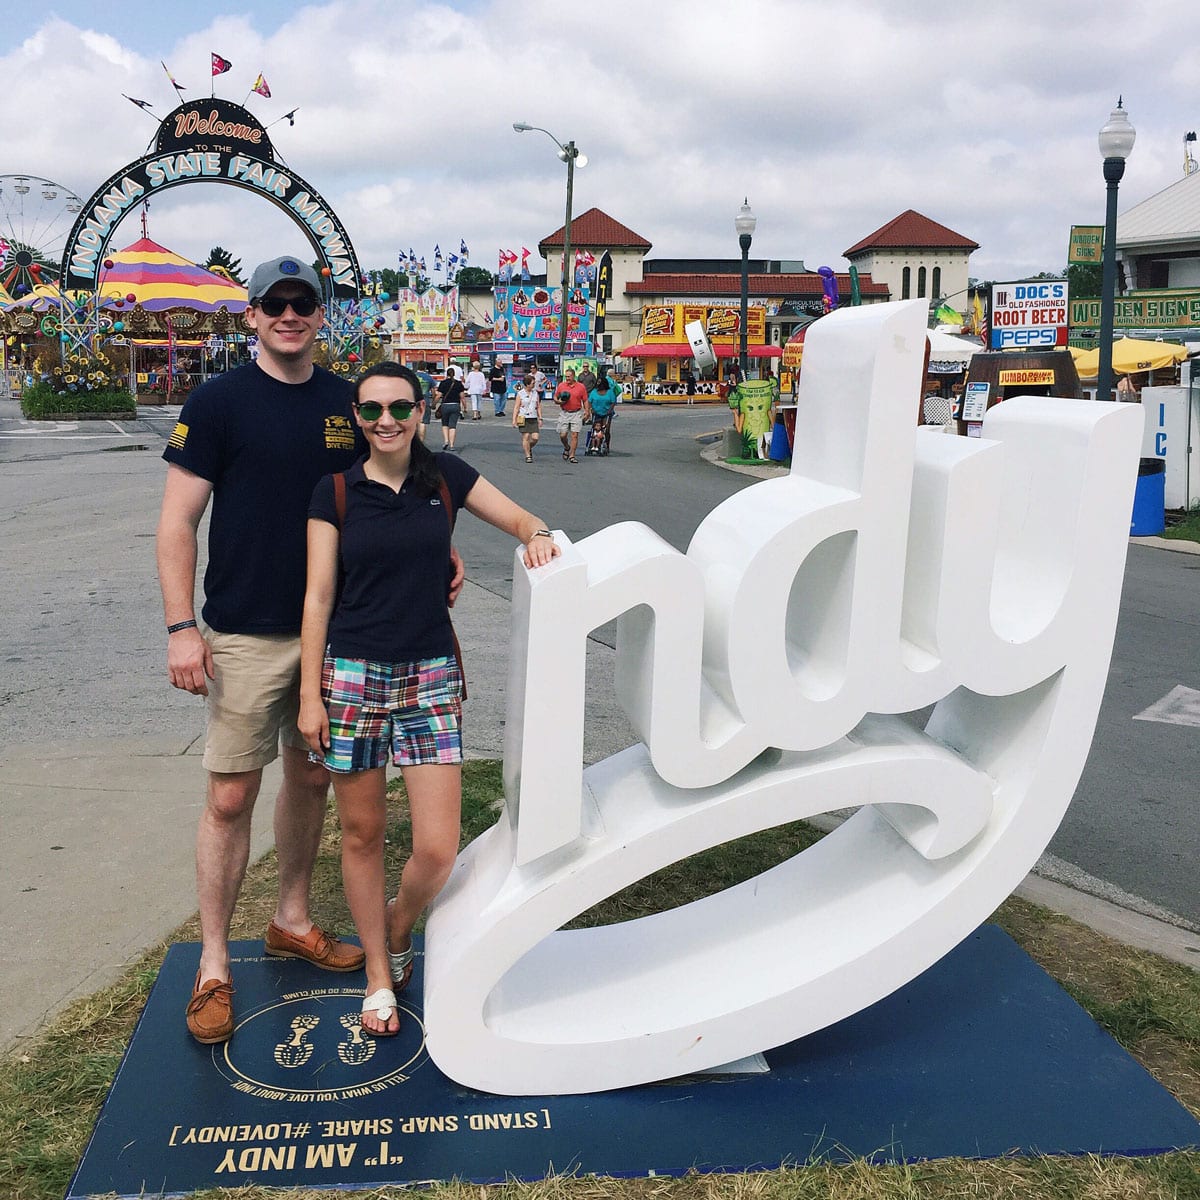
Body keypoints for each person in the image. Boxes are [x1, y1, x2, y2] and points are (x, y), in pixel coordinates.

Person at [156, 255, 465, 1046]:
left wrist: (441, 550)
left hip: (342, 637)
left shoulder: (349, 403)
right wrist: (180, 626)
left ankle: (293, 916)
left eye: (304, 303)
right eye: (275, 303)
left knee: (309, 779)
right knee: (229, 796)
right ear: (253, 315)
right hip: (245, 630)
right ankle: (215, 964)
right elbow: (177, 522)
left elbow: (398, 479)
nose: (290, 314)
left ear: (321, 315)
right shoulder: (218, 401)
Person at [298, 361, 561, 1035]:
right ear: (356, 418)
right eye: (371, 410)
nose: (385, 421)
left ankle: (398, 923)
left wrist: (535, 536)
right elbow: (319, 596)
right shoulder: (334, 491)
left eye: (399, 408)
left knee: (437, 848)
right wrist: (310, 694)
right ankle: (379, 973)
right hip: (352, 675)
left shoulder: (446, 476)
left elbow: (525, 518)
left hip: (430, 676)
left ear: (421, 411)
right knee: (361, 833)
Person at [554, 367, 590, 463]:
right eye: (566, 377)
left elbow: (585, 400)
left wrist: (587, 411)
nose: (567, 378)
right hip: (565, 412)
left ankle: (572, 455)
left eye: (569, 376)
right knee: (563, 435)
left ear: (574, 376)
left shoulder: (581, 387)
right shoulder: (561, 386)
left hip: (576, 413)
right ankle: (567, 447)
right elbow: (555, 397)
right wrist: (558, 401)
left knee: (575, 435)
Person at [586, 368, 620, 456]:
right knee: (595, 429)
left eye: (599, 382)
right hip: (596, 413)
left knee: (606, 430)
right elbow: (589, 401)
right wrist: (590, 410)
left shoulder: (609, 392)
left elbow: (613, 402)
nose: (598, 384)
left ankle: (606, 445)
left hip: (607, 413)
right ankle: (593, 445)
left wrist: (610, 410)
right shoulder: (594, 392)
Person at [513, 372, 542, 462]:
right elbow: (516, 407)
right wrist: (514, 419)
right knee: (526, 436)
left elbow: (538, 406)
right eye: (533, 383)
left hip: (533, 417)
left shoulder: (535, 393)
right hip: (523, 417)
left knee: (535, 437)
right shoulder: (520, 394)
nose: (534, 385)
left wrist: (540, 418)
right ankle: (528, 455)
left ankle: (528, 447)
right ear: (527, 384)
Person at [436, 365, 464, 450]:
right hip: (455, 405)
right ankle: (452, 445)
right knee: (452, 426)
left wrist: (434, 404)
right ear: (454, 374)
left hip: (445, 406)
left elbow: (439, 395)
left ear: (446, 374)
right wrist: (465, 407)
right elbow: (462, 396)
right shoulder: (458, 383)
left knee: (445, 424)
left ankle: (446, 441)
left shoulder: (443, 383)